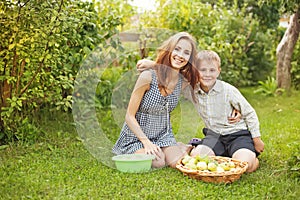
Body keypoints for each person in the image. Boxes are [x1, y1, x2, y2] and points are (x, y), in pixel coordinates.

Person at [112, 32, 200, 168]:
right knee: (158, 162)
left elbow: (204, 76)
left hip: (163, 136)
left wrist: (154, 63)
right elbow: (129, 116)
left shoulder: (182, 82)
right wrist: (146, 142)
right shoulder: (147, 77)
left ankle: (182, 147)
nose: (181, 55)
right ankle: (177, 147)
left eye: (186, 53)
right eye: (176, 49)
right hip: (136, 138)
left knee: (178, 162)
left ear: (189, 58)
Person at [189, 50, 265, 172]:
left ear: (218, 71)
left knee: (244, 165)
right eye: (202, 70)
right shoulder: (193, 90)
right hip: (214, 136)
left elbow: (249, 112)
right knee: (197, 158)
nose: (207, 74)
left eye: (212, 70)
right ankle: (224, 154)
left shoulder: (228, 90)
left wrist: (256, 139)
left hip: (237, 135)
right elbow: (173, 77)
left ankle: (251, 158)